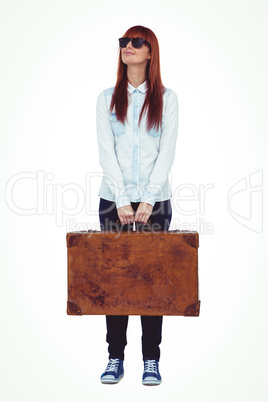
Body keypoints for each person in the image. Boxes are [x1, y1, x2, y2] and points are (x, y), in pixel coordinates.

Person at [96, 25, 178, 385]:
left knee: (151, 283)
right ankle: (115, 357)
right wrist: (120, 199)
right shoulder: (106, 98)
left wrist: (147, 199)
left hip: (155, 203)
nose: (128, 47)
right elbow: (106, 152)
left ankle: (151, 359)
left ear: (150, 52)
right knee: (116, 282)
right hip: (111, 203)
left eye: (136, 42)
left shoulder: (167, 99)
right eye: (124, 42)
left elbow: (167, 153)